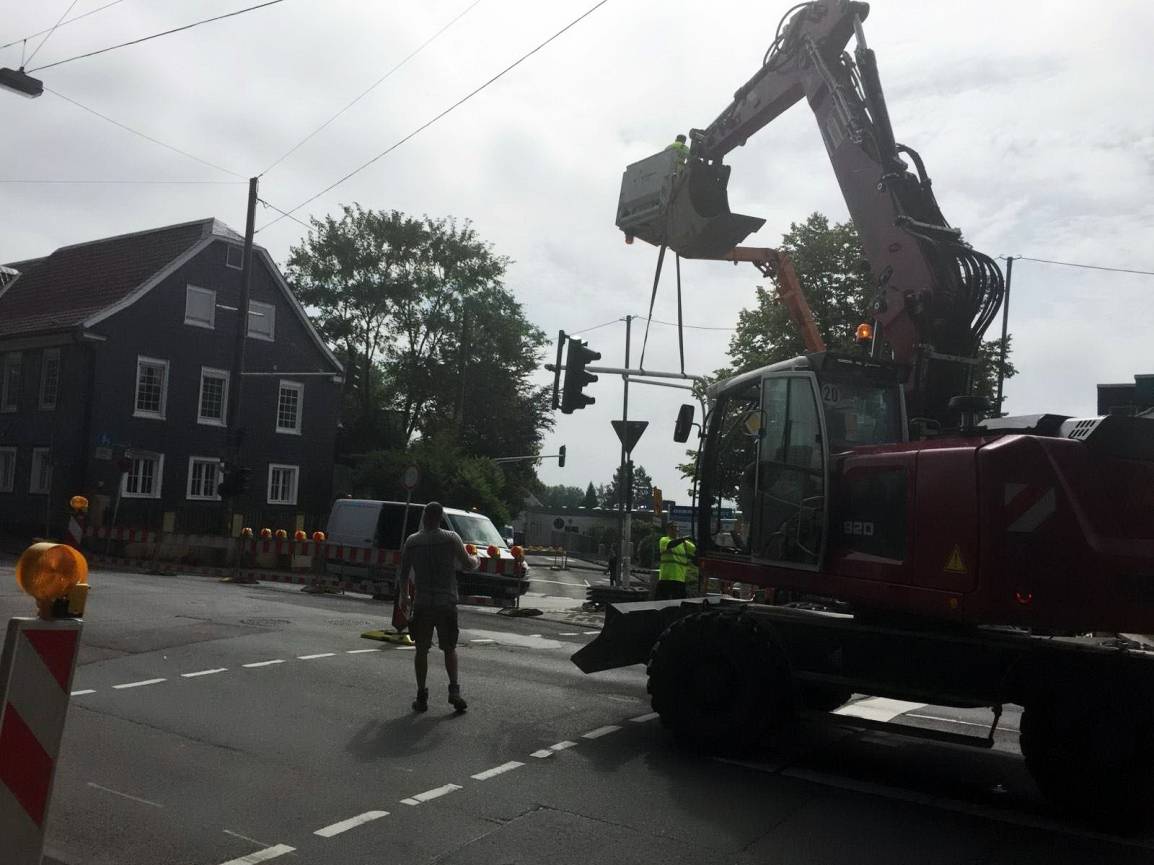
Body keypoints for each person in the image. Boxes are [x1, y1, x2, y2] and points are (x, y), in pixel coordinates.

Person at [398, 501, 478, 713]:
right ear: (440, 517)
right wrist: (476, 559)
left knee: (421, 650)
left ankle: (422, 695)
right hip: (446, 602)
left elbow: (403, 572)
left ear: (425, 517)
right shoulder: (451, 538)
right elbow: (468, 564)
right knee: (449, 648)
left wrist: (404, 596)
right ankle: (454, 690)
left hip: (423, 602)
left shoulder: (413, 542)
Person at [656, 523, 696, 600]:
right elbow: (670, 545)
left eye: (676, 528)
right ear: (667, 530)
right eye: (672, 528)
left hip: (680, 579)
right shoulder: (664, 540)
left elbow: (695, 550)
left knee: (679, 603)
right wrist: (683, 539)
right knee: (661, 602)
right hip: (666, 578)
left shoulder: (684, 543)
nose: (675, 530)